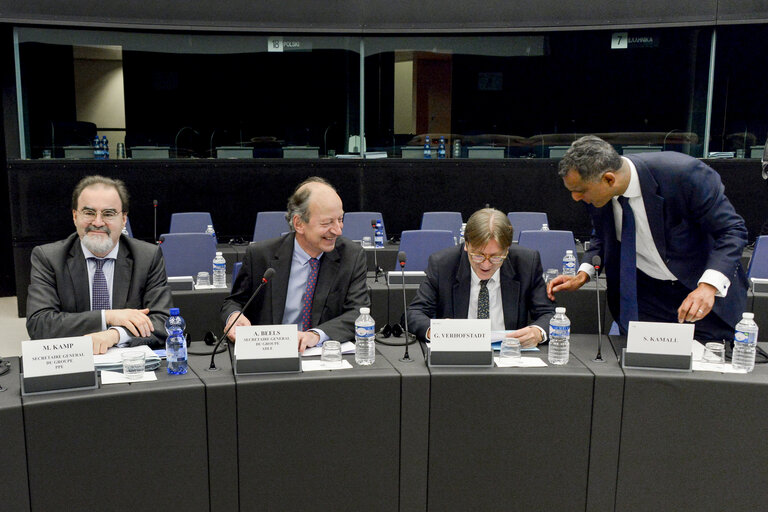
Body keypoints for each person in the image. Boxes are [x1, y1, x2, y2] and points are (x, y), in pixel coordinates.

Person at [548, 135, 748, 341]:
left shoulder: (683, 174)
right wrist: (584, 273)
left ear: (609, 179)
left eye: (580, 191)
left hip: (697, 291)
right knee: (641, 367)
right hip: (645, 297)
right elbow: (602, 234)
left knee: (710, 365)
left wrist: (708, 286)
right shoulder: (597, 193)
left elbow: (732, 231)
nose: (575, 198)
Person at [26, 175, 173, 353]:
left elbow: (164, 321)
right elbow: (39, 324)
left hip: (130, 363)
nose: (97, 222)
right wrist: (107, 316)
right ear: (74, 216)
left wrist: (114, 334)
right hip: (72, 360)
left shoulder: (147, 257)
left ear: (124, 219)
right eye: (89, 212)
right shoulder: (48, 258)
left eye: (108, 214)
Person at [221, 177, 369, 352]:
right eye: (327, 222)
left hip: (324, 356)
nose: (338, 230)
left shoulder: (351, 256)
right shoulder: (261, 255)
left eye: (340, 219)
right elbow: (235, 302)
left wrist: (315, 335)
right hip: (271, 354)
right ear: (299, 224)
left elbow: (358, 313)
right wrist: (234, 316)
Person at [406, 208, 554, 347]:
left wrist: (537, 332)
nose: (486, 264)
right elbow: (414, 314)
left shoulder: (526, 263)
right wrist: (438, 331)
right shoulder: (443, 264)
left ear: (507, 250)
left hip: (510, 355)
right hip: (460, 354)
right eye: (478, 255)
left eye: (496, 257)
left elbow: (549, 314)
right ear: (466, 245)